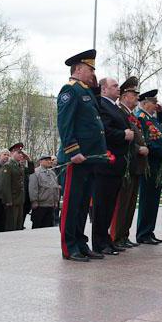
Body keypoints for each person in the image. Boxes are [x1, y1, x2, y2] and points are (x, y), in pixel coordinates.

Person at [57, 49, 107, 262]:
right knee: (72, 204)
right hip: (76, 158)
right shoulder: (69, 90)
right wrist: (73, 151)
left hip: (90, 158)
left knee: (83, 203)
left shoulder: (86, 91)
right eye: (89, 69)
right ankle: (70, 247)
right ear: (77, 69)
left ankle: (80, 242)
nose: (92, 73)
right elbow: (65, 124)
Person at [93, 77, 133, 256]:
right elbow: (104, 130)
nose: (118, 88)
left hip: (117, 163)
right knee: (102, 205)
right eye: (114, 86)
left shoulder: (114, 106)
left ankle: (106, 239)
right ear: (103, 89)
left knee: (110, 205)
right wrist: (123, 134)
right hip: (107, 163)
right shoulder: (102, 105)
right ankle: (99, 242)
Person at [111, 77, 148, 249]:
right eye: (134, 94)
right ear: (125, 96)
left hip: (135, 166)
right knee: (122, 203)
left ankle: (124, 235)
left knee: (131, 203)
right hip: (126, 163)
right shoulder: (120, 112)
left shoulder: (131, 115)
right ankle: (116, 236)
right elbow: (122, 137)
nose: (137, 98)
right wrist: (138, 149)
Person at [136, 89, 162, 245]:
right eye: (153, 102)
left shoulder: (153, 119)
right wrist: (159, 151)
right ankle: (143, 233)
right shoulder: (141, 118)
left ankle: (149, 231)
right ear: (144, 103)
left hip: (158, 164)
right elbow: (145, 140)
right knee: (147, 199)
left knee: (154, 199)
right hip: (150, 164)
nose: (156, 105)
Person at [2, 143, 34, 232]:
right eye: (19, 153)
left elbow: (31, 171)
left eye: (22, 153)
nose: (21, 155)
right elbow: (6, 185)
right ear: (12, 153)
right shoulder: (8, 165)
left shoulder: (20, 165)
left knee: (19, 225)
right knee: (11, 225)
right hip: (12, 199)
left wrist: (29, 160)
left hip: (20, 199)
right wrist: (8, 200)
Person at [28, 155, 61, 228]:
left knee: (48, 226)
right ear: (40, 161)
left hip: (50, 204)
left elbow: (55, 187)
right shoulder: (35, 172)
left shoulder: (52, 173)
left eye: (50, 160)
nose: (49, 161)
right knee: (37, 226)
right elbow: (33, 188)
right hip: (40, 205)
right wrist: (34, 201)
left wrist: (56, 201)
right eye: (46, 160)